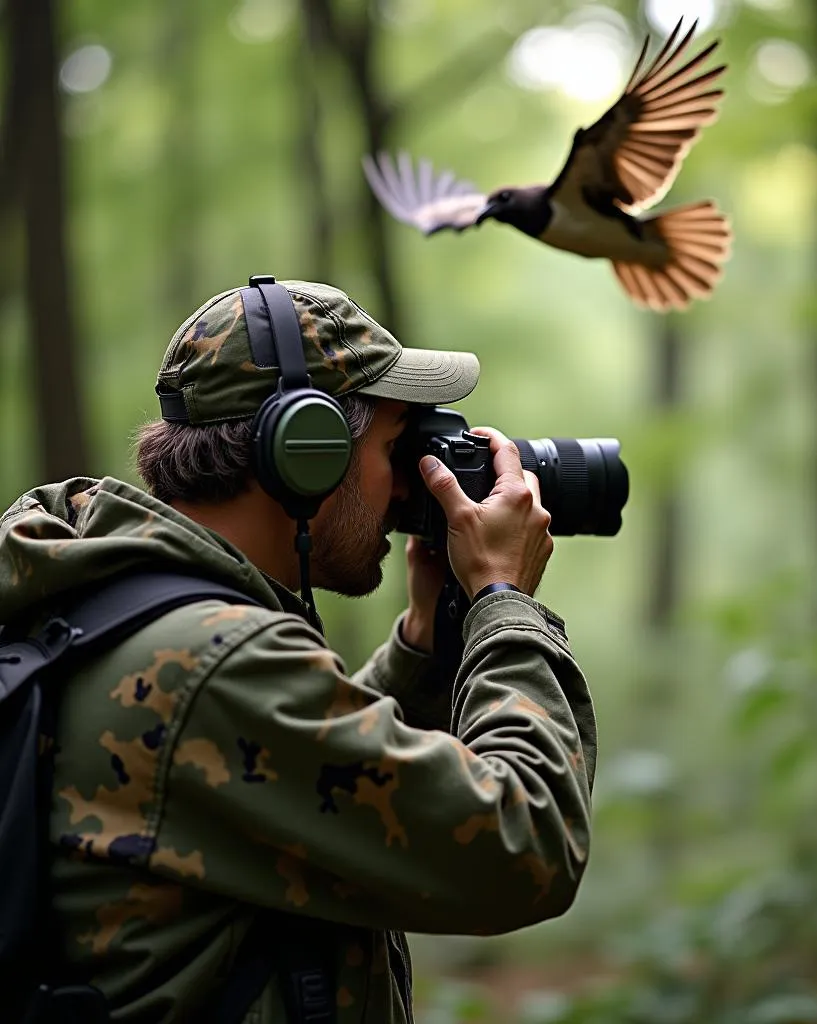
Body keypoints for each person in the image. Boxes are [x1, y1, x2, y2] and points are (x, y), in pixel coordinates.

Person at [0, 279, 596, 1022]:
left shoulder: (106, 600)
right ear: (306, 452)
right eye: (396, 445)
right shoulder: (210, 663)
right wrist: (504, 603)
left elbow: (306, 780)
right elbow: (524, 844)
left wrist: (421, 645)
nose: (412, 484)